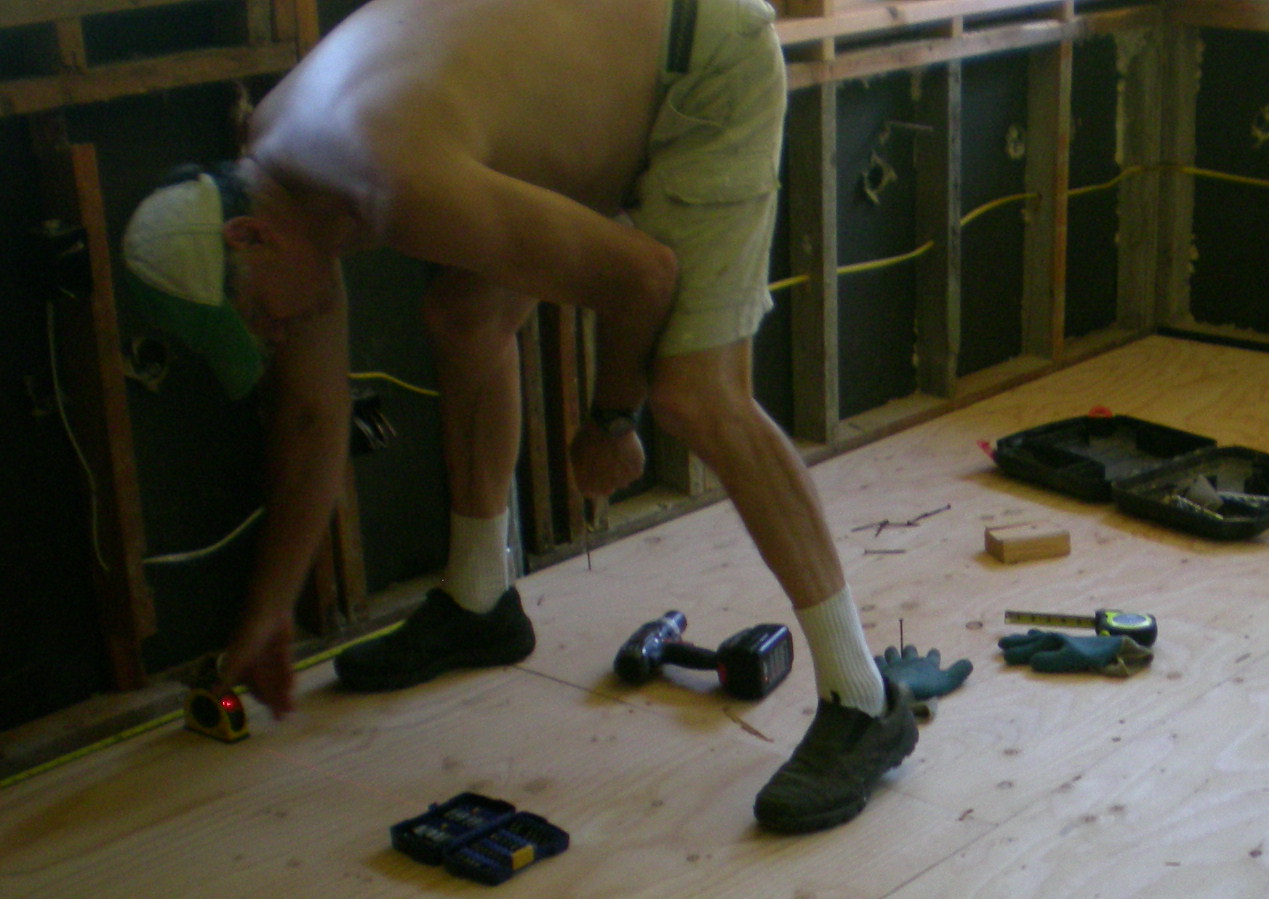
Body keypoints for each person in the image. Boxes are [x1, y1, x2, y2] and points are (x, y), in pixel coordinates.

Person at [120, 0, 923, 834]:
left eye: (257, 316)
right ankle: (480, 604)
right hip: (584, 85)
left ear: (250, 237)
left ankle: (864, 700)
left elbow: (642, 277)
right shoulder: (281, 178)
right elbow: (310, 417)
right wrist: (267, 613)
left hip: (700, 56)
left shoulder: (388, 181)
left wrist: (611, 420)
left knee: (695, 393)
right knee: (462, 317)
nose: (274, 333)